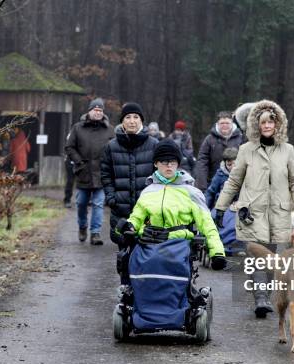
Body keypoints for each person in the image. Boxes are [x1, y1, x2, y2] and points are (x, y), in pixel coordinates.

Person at [213, 100, 294, 318]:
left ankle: (268, 293)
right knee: (256, 256)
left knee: (272, 259)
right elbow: (234, 181)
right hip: (252, 214)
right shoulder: (246, 150)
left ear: (278, 124)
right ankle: (261, 299)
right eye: (262, 122)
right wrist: (220, 208)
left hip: (278, 212)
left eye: (270, 122)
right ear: (256, 125)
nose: (266, 126)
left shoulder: (288, 150)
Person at [117, 139, 226, 270]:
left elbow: (207, 223)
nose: (169, 165)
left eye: (173, 162)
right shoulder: (148, 191)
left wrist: (217, 252)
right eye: (164, 162)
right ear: (156, 163)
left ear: (178, 164)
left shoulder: (191, 192)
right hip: (150, 244)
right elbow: (136, 218)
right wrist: (128, 226)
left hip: (179, 246)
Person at [100, 102, 158, 247]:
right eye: (128, 117)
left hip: (147, 207)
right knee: (123, 247)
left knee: (146, 248)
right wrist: (111, 197)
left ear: (141, 120)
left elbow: (160, 175)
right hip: (121, 206)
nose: (132, 121)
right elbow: (106, 174)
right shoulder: (111, 146)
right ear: (122, 121)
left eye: (136, 117)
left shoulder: (154, 144)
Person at [65, 98, 114, 245]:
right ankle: (82, 226)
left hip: (101, 173)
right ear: (89, 111)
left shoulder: (109, 130)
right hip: (83, 172)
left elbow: (115, 149)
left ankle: (95, 233)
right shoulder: (78, 128)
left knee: (98, 203)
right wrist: (78, 162)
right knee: (81, 203)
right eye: (95, 110)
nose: (98, 113)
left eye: (100, 110)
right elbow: (69, 147)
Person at [195, 111, 244, 191]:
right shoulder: (209, 139)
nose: (224, 125)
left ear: (232, 124)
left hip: (236, 183)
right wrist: (202, 185)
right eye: (222, 123)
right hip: (214, 183)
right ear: (217, 124)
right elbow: (202, 162)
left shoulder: (240, 138)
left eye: (227, 123)